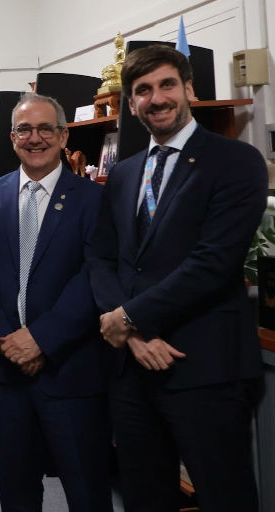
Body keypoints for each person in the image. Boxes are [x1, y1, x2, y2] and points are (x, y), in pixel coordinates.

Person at [88, 44, 267, 511]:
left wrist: (128, 318)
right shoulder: (124, 174)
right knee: (145, 498)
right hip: (132, 373)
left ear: (189, 89)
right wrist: (132, 336)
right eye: (143, 90)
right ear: (132, 105)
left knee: (225, 497)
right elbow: (102, 259)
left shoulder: (236, 161)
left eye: (167, 84)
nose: (157, 98)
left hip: (205, 368)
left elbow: (213, 264)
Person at [0, 93, 112, 511]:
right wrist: (8, 342)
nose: (35, 138)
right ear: (12, 138)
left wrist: (40, 340)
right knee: (17, 491)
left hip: (70, 370)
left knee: (86, 490)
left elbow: (92, 277)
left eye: (46, 128)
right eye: (24, 129)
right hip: (9, 372)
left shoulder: (94, 199)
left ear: (63, 137)